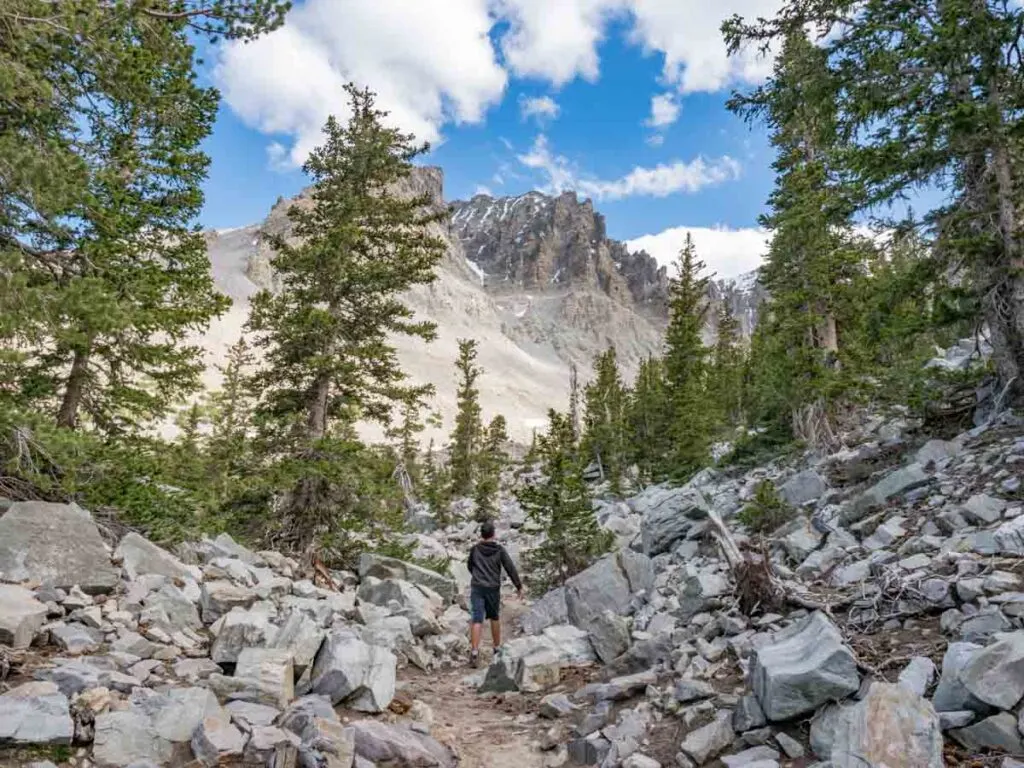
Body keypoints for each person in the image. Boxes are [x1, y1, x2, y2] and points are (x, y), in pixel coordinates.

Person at [467, 520, 523, 667]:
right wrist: (518, 586)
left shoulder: (475, 549)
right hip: (492, 587)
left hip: (477, 586)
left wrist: (478, 575)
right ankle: (497, 648)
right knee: (494, 617)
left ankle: (474, 651)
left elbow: (469, 566)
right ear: (493, 534)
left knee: (477, 618)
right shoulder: (499, 550)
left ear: (481, 534)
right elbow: (510, 567)